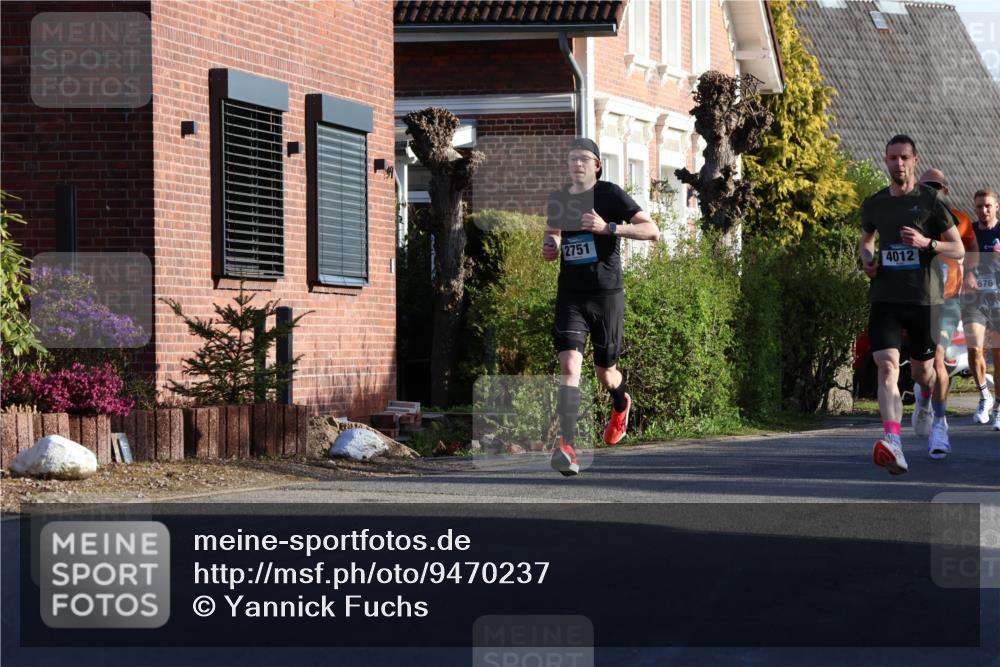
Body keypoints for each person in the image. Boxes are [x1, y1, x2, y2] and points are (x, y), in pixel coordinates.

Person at [542, 138, 659, 476]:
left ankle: (621, 402)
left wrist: (608, 227)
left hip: (606, 295)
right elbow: (553, 233)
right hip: (571, 295)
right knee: (569, 367)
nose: (577, 164)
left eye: (584, 158)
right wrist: (551, 245)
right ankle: (567, 446)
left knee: (606, 373)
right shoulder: (560, 198)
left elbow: (652, 230)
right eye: (572, 159)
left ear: (597, 165)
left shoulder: (610, 195)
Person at [858, 135, 963, 475]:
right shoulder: (875, 204)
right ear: (886, 161)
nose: (898, 163)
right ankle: (893, 441)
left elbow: (958, 248)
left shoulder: (931, 201)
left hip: (924, 299)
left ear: (915, 160)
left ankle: (924, 399)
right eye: (893, 158)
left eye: (904, 157)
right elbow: (866, 241)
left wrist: (926, 243)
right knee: (887, 367)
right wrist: (867, 259)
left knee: (923, 374)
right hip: (885, 297)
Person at [910, 169, 977, 458]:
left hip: (949, 299)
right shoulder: (910, 217)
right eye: (927, 186)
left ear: (945, 190)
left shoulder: (960, 219)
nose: (932, 190)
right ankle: (924, 396)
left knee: (938, 357)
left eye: (936, 186)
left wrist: (971, 273)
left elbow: (971, 247)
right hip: (917, 299)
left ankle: (940, 423)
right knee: (920, 370)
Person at [960, 188, 1000, 429]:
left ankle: (998, 407)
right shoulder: (968, 232)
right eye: (979, 207)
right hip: (974, 301)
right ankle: (985, 397)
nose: (983, 211)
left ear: (996, 207)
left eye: (988, 206)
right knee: (974, 350)